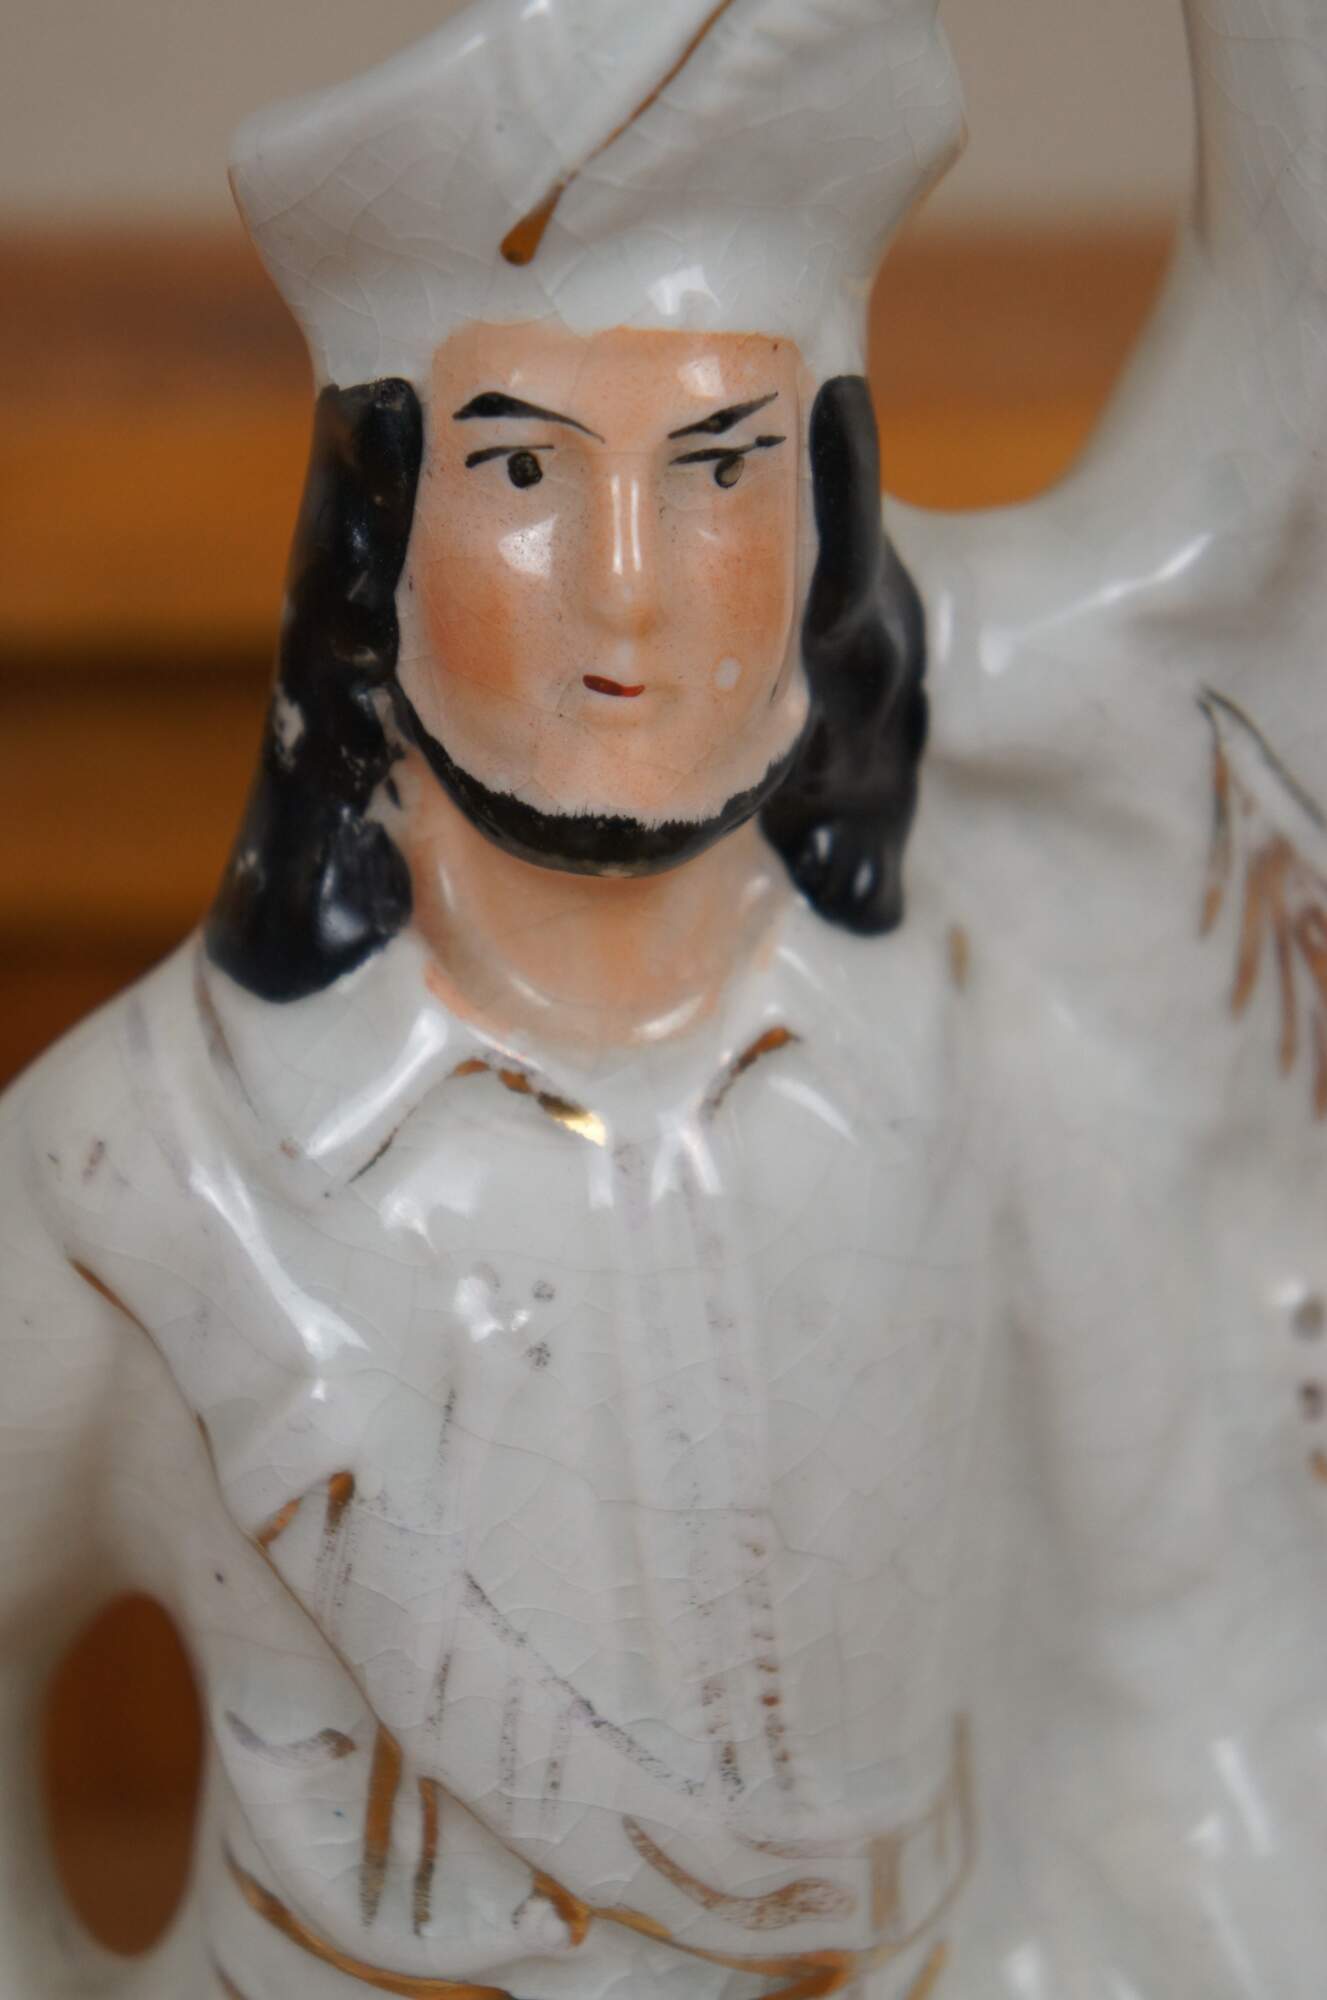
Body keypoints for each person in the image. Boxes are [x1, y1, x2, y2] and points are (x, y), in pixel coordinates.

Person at [2, 2, 1324, 1997]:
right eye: (523, 464)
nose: (626, 586)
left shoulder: (977, 1029)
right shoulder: (138, 1180)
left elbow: (1286, 409)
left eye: (720, 463)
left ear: (824, 518)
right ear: (379, 524)